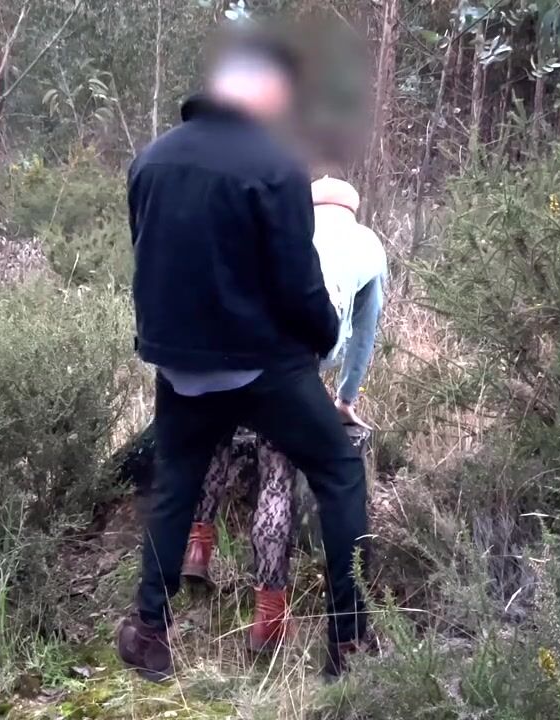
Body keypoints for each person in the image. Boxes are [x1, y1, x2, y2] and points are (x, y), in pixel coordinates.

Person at [118, 32, 372, 682]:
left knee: (177, 484)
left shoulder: (150, 161)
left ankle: (148, 629)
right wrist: (323, 337)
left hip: (179, 366)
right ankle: (348, 644)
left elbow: (150, 260)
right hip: (261, 366)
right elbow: (298, 285)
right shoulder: (275, 166)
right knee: (340, 470)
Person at [182, 175, 386, 653]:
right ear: (352, 209)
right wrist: (345, 399)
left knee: (219, 434)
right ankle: (268, 617)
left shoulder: (281, 226)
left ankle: (198, 545)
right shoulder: (366, 244)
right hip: (292, 363)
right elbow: (364, 333)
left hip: (231, 346)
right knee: (277, 472)